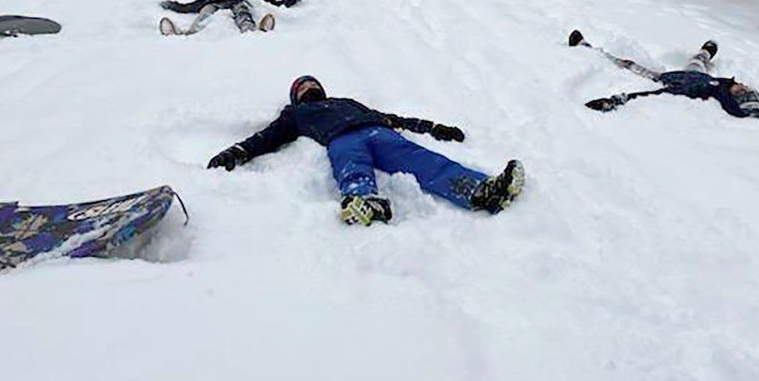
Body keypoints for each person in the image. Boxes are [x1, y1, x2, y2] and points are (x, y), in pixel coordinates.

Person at [207, 74, 525, 224]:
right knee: (350, 162)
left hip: (378, 131)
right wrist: (237, 151)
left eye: (311, 83)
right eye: (301, 87)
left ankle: (480, 190)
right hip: (341, 138)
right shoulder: (296, 115)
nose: (308, 87)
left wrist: (432, 128)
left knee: (422, 159)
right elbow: (267, 137)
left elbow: (393, 118)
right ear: (295, 97)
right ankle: (363, 200)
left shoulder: (348, 102)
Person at [581, 36, 759, 118]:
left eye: (742, 89)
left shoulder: (701, 92)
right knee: (698, 61)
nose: (742, 84)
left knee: (630, 66)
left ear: (735, 97)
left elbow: (654, 95)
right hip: (696, 73)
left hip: (668, 78)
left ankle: (587, 47)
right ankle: (706, 53)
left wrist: (614, 101)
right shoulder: (722, 87)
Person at [159, 0, 303, 36]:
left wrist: (290, 0)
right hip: (215, 4)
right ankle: (188, 33)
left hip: (239, 4)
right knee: (205, 13)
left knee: (243, 13)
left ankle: (253, 32)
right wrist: (172, 5)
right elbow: (191, 6)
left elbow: (269, 2)